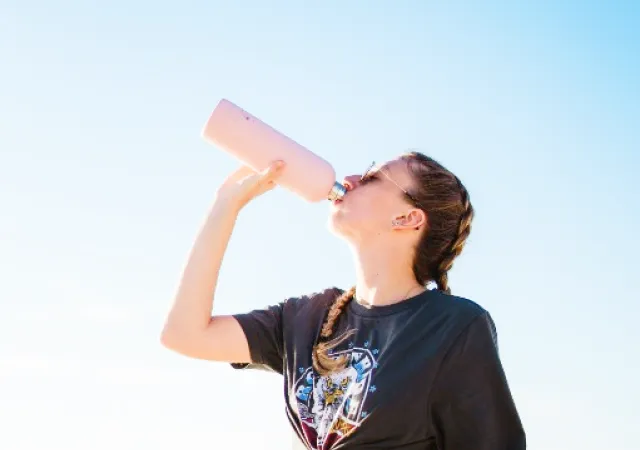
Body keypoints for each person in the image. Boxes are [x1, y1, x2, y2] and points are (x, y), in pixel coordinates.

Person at [161, 151, 526, 449]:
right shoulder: (306, 317)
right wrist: (226, 205)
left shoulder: (454, 328)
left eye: (372, 178)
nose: (350, 179)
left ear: (407, 217)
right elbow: (185, 334)